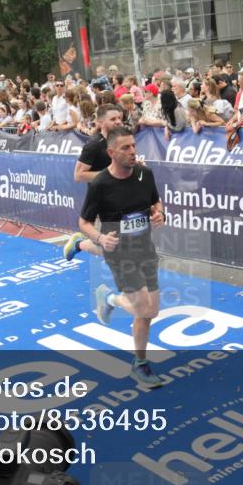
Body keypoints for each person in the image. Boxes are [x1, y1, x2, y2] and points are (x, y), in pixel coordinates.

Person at [77, 127, 165, 388]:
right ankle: (140, 364)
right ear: (111, 152)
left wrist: (159, 213)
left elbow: (155, 203)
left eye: (134, 146)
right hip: (120, 254)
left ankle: (109, 297)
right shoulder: (100, 184)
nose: (132, 152)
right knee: (143, 309)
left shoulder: (144, 174)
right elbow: (84, 221)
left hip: (145, 249)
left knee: (152, 311)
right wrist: (100, 238)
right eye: (125, 148)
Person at [64, 104, 126, 260]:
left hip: (122, 198)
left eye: (119, 117)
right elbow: (78, 175)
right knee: (106, 249)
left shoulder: (121, 140)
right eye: (113, 119)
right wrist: (109, 174)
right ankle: (79, 244)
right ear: (101, 122)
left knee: (125, 244)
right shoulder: (93, 145)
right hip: (101, 201)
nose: (118, 121)